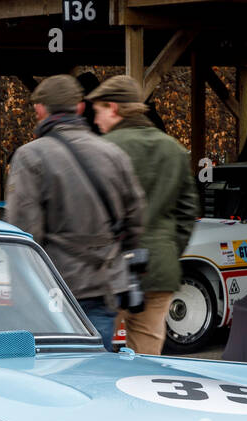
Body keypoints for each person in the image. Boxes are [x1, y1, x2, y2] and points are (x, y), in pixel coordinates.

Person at [4, 74, 146, 349]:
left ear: (40, 110)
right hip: (106, 284)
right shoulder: (113, 153)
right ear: (80, 108)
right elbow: (136, 219)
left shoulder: (30, 156)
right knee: (97, 366)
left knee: (56, 371)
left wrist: (19, 290)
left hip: (55, 288)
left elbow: (25, 233)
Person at [88, 74, 199, 355]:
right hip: (159, 267)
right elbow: (188, 210)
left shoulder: (102, 149)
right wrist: (170, 250)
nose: (96, 120)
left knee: (93, 353)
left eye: (98, 110)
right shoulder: (173, 149)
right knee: (147, 355)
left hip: (107, 270)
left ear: (113, 108)